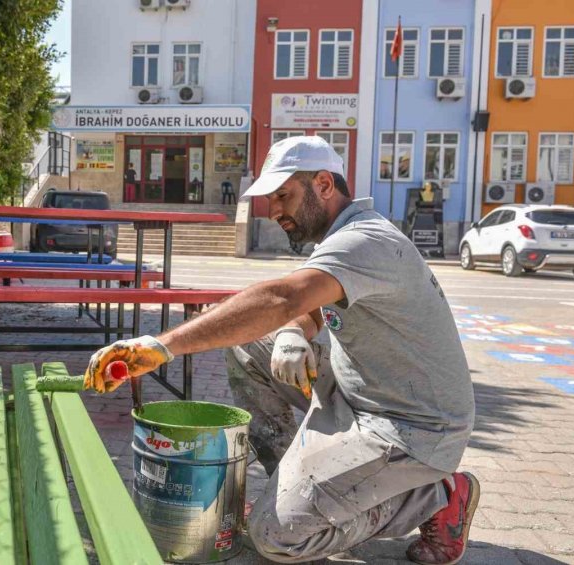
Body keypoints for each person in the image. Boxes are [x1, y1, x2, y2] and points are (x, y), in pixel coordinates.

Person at [84, 136, 478, 565]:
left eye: (283, 196)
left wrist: (161, 345)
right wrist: (293, 332)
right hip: (361, 395)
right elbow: (305, 307)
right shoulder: (343, 238)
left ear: (324, 185)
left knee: (275, 538)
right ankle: (296, 486)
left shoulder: (365, 241)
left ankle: (437, 495)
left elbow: (283, 298)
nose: (273, 212)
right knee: (248, 345)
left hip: (412, 430)